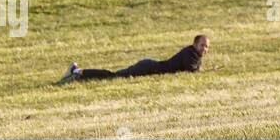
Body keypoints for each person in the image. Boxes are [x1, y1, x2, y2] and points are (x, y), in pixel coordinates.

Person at [60, 35, 209, 83]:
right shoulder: (190, 53)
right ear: (195, 44)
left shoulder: (194, 54)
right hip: (148, 67)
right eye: (202, 45)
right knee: (113, 76)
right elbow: (191, 71)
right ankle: (77, 71)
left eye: (207, 46)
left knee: (114, 76)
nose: (204, 48)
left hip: (150, 66)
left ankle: (79, 75)